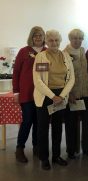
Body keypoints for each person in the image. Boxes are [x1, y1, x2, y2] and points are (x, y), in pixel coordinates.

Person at [33, 30, 75, 170]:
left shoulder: (65, 56)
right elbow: (38, 80)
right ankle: (44, 158)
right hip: (45, 96)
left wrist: (62, 96)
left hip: (61, 95)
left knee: (57, 127)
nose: (54, 43)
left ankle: (56, 156)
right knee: (43, 128)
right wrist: (53, 96)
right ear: (46, 41)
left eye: (57, 40)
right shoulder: (41, 56)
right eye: (51, 40)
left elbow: (71, 78)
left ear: (60, 41)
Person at [12, 26, 47, 163]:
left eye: (40, 35)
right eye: (35, 35)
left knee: (39, 122)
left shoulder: (46, 52)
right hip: (26, 93)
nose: (38, 38)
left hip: (42, 93)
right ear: (31, 37)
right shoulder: (23, 51)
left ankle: (36, 147)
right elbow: (16, 73)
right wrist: (16, 92)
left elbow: (46, 72)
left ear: (44, 37)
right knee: (27, 121)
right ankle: (19, 148)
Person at [63, 29, 88, 159]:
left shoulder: (82, 51)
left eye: (80, 38)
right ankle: (71, 150)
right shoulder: (64, 53)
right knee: (71, 123)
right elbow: (64, 76)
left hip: (86, 91)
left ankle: (86, 148)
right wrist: (69, 93)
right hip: (73, 94)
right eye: (75, 38)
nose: (78, 41)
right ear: (70, 39)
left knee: (87, 122)